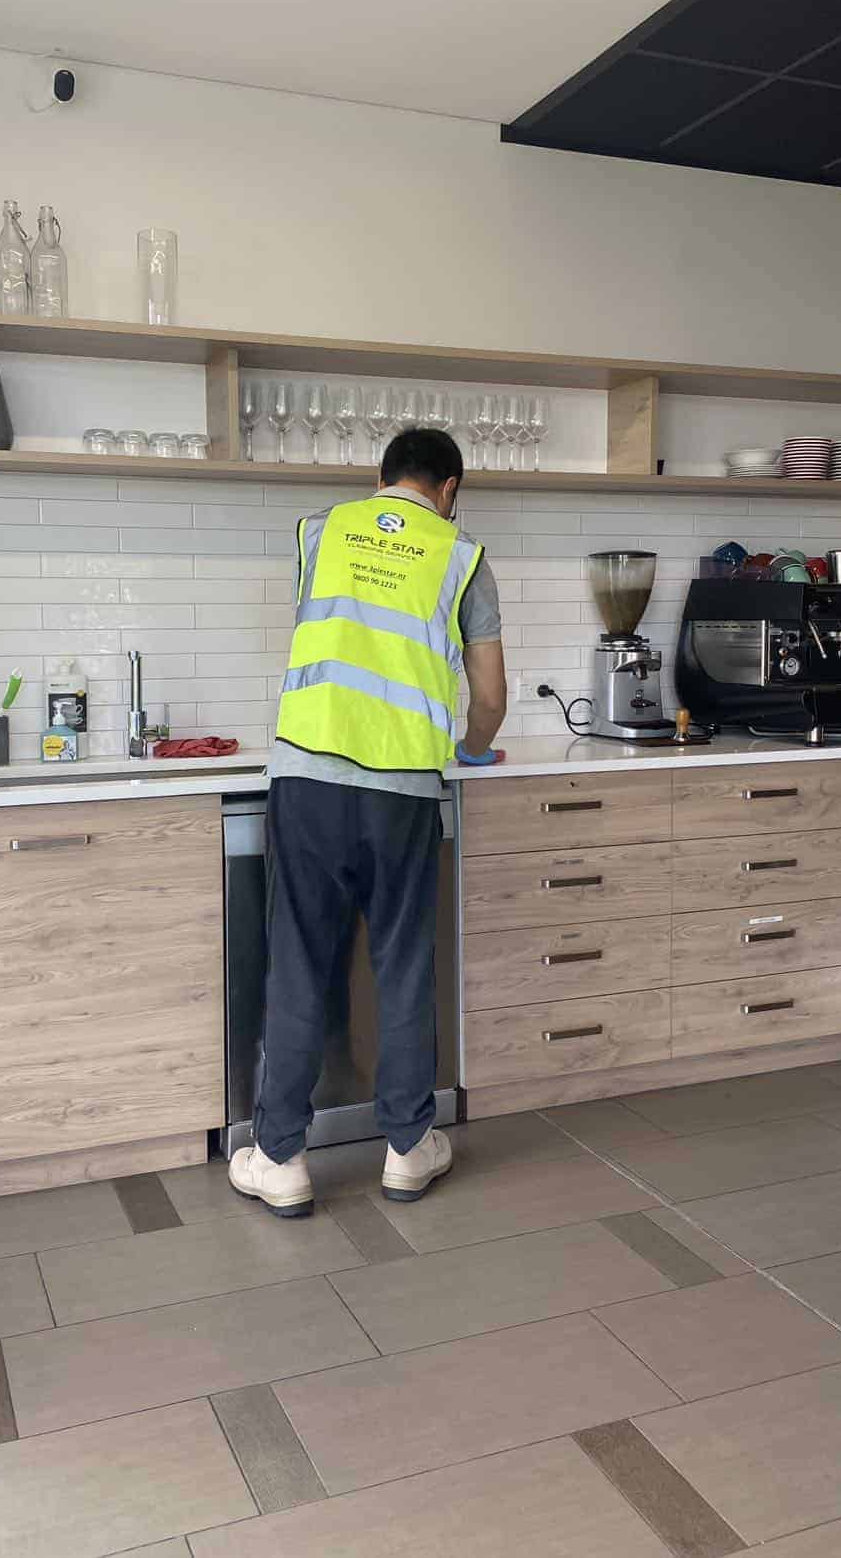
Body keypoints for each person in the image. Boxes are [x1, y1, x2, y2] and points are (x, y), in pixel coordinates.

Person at [230, 426, 507, 1218]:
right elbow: (488, 696)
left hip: (309, 776)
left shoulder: (320, 532)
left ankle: (280, 1156)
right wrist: (473, 748)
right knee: (402, 964)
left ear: (380, 478)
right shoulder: (463, 557)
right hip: (404, 788)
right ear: (449, 489)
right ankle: (406, 1150)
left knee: (300, 960)